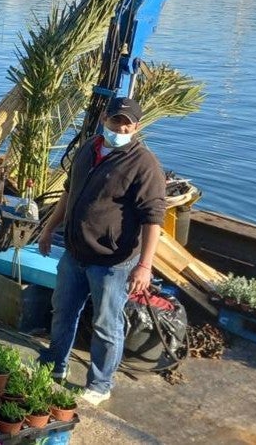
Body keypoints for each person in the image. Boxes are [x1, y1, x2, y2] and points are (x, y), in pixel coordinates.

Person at [37, 96, 165, 405]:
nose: (120, 127)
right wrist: (49, 228)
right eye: (115, 121)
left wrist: (144, 266)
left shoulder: (144, 165)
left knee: (107, 324)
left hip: (113, 262)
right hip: (75, 252)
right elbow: (69, 192)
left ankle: (100, 383)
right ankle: (54, 366)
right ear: (104, 120)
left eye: (127, 123)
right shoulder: (88, 149)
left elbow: (153, 219)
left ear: (136, 126)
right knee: (63, 311)